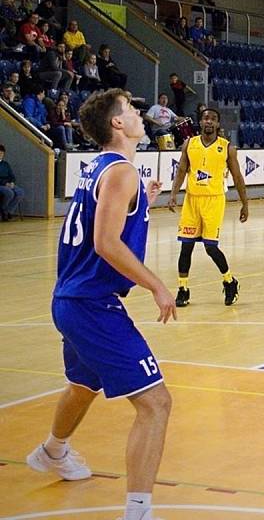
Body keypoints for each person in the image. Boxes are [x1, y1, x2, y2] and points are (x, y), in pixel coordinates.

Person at [26, 89, 175, 520]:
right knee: (156, 404)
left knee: (84, 384)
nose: (138, 114)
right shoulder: (121, 172)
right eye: (130, 110)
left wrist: (143, 198)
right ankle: (139, 511)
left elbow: (106, 221)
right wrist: (156, 286)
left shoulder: (100, 169)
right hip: (92, 304)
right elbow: (106, 242)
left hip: (72, 299)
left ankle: (53, 450)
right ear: (117, 124)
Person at [167, 108, 248, 307]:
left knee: (211, 248)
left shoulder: (227, 148)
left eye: (213, 119)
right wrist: (173, 194)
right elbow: (182, 170)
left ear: (218, 124)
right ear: (200, 123)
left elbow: (237, 177)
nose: (209, 122)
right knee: (186, 247)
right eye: (205, 119)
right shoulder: (189, 144)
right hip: (192, 200)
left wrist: (245, 204)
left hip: (214, 200)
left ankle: (229, 281)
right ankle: (182, 289)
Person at [0, 144, 24, 221]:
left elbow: (12, 175)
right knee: (9, 193)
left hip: (8, 183)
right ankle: (3, 210)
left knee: (20, 192)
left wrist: (12, 182)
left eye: (2, 153)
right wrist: (5, 184)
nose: (0, 155)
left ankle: (8, 211)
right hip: (1, 184)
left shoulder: (5, 164)